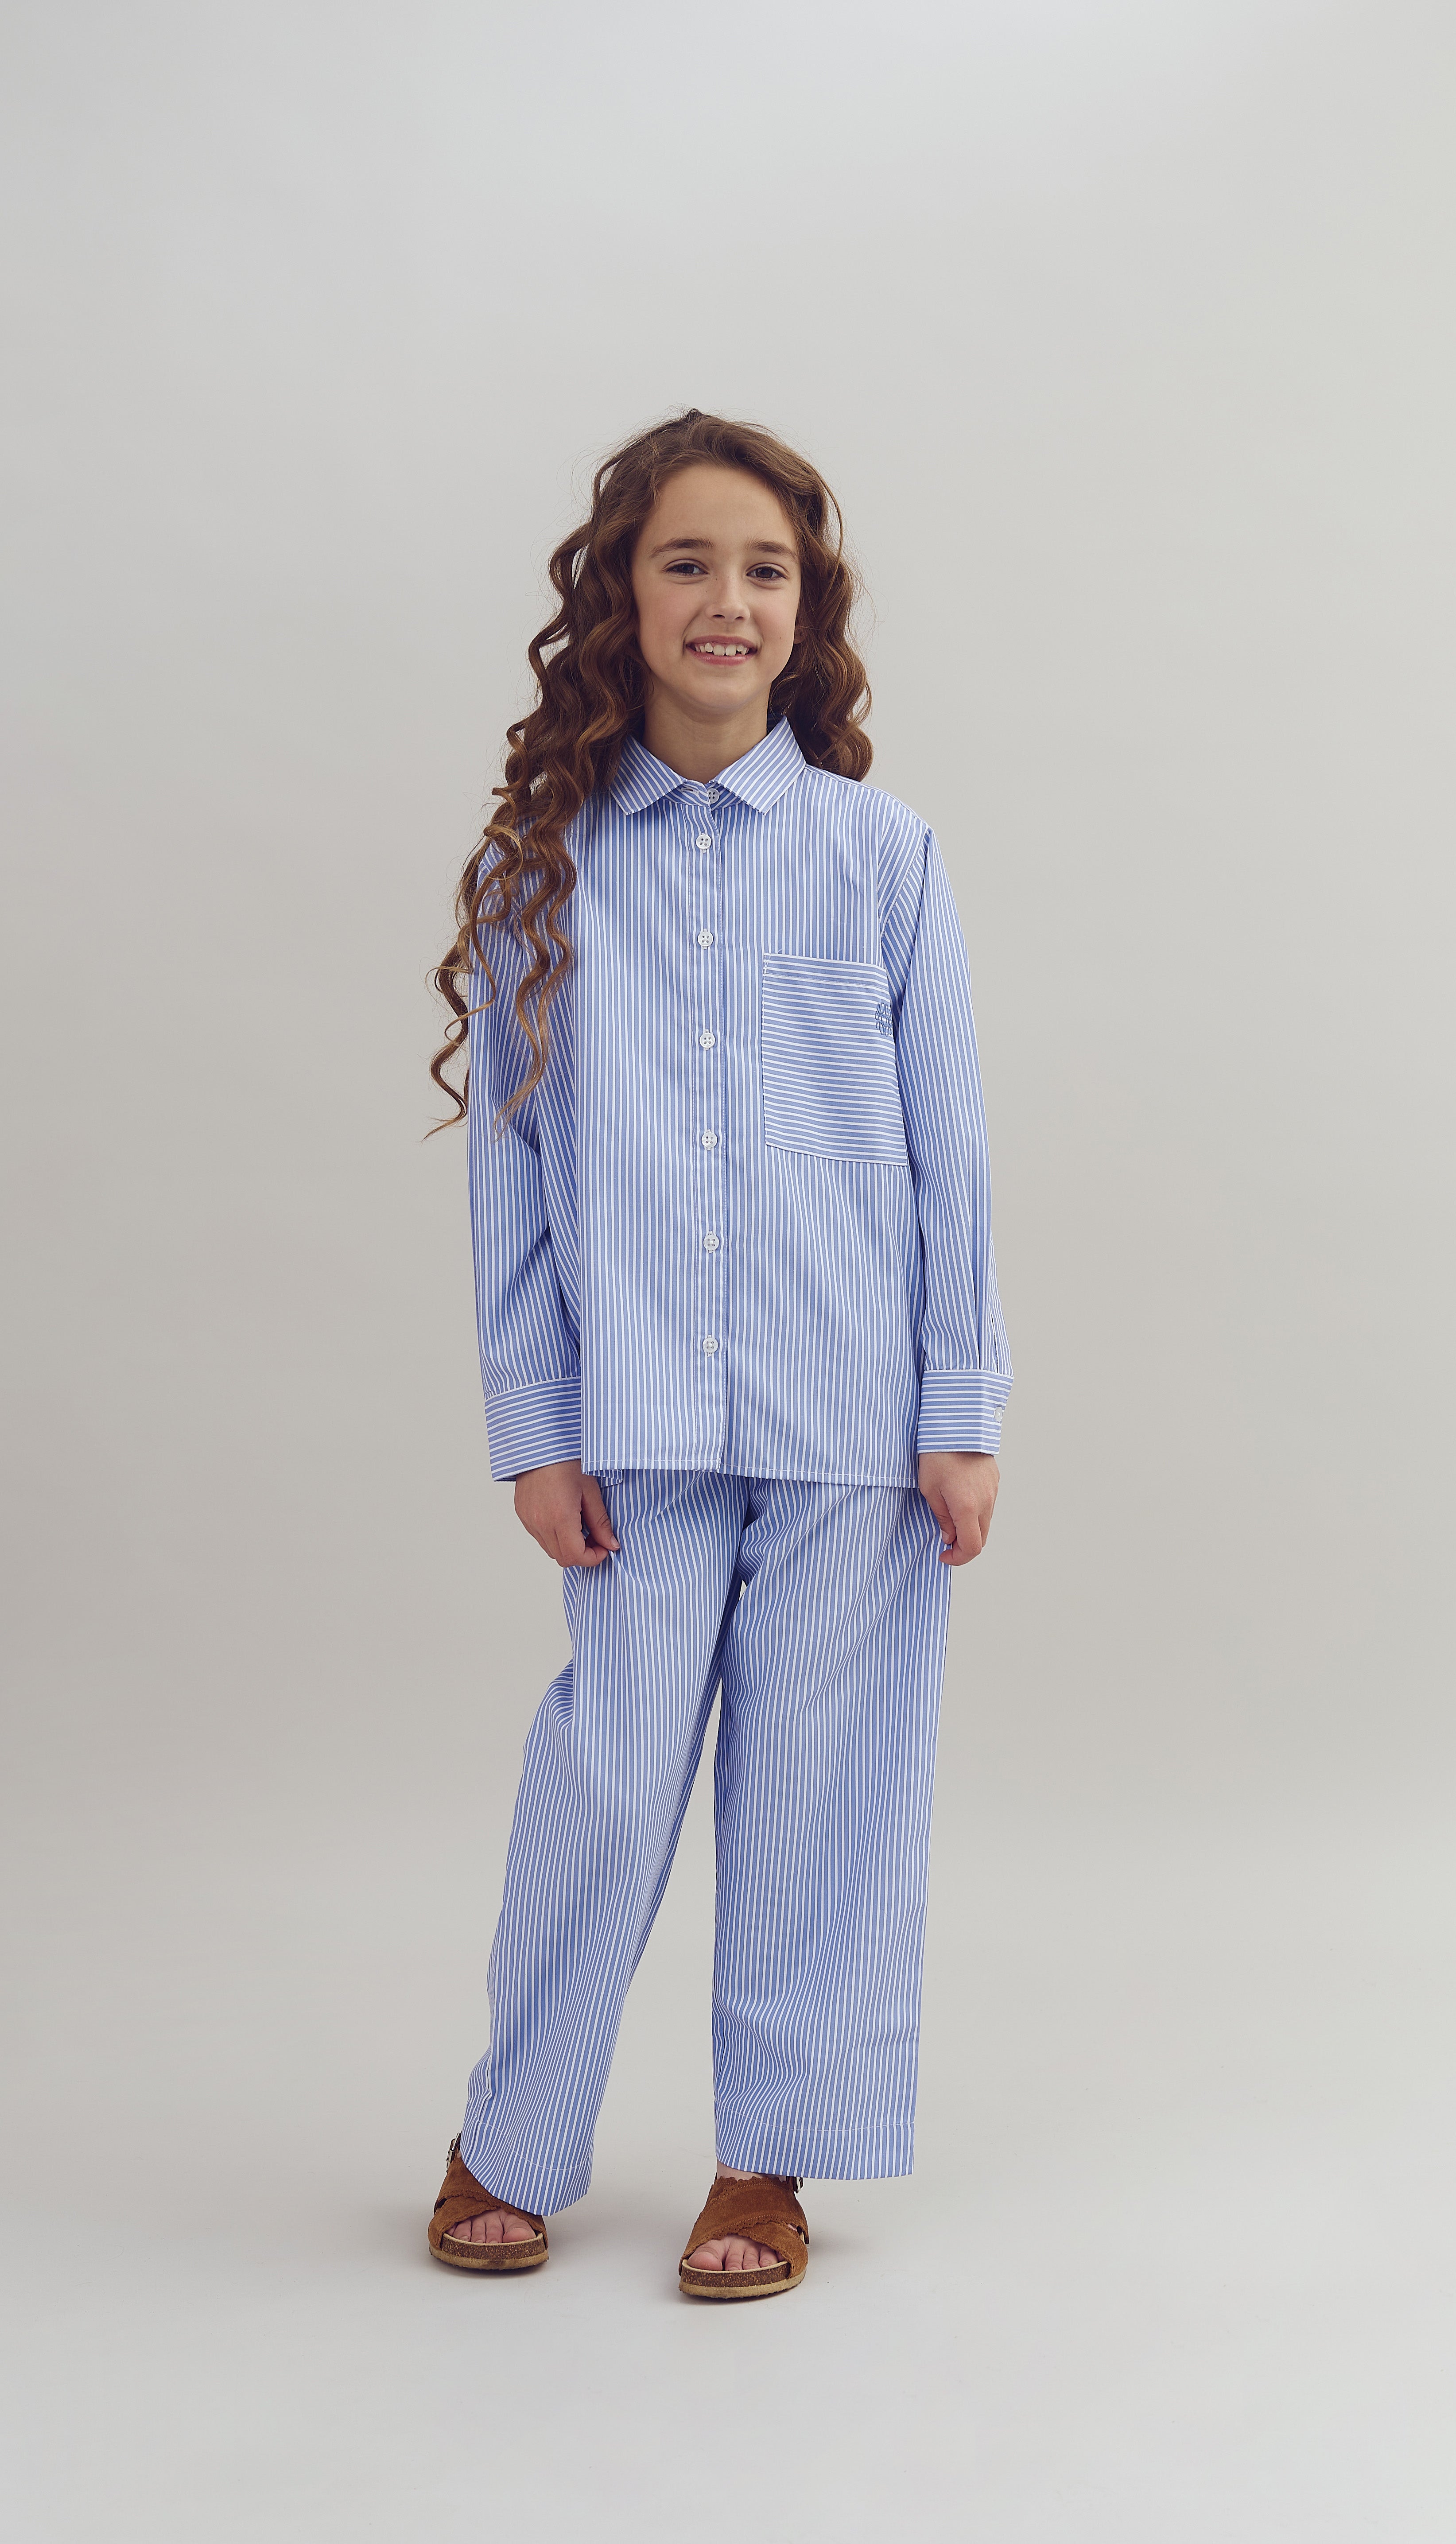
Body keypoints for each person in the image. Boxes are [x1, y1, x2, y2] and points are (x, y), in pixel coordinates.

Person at [423, 410, 1010, 2299]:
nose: (726, 600)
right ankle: (509, 2133)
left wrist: (960, 1408)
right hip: (638, 1417)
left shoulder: (880, 855)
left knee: (824, 1789)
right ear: (622, 595)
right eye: (687, 561)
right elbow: (510, 1180)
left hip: (852, 1423)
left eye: (764, 568)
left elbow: (952, 1149)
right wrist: (534, 1425)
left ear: (805, 609)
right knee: (605, 1776)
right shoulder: (545, 870)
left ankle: (767, 2161)